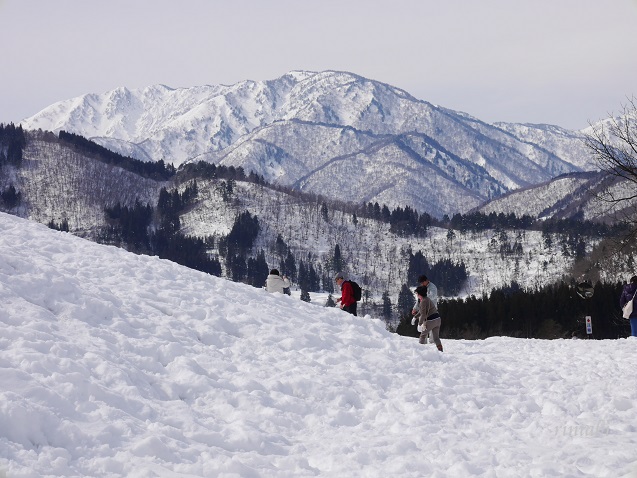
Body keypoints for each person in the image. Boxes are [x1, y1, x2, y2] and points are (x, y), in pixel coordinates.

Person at [411, 285, 443, 351]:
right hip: (438, 319)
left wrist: (419, 324)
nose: (417, 295)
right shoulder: (427, 299)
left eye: (417, 294)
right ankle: (440, 351)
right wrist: (415, 317)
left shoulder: (423, 302)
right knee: (436, 338)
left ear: (420, 294)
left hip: (431, 321)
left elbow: (423, 314)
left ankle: (420, 351)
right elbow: (422, 311)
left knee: (423, 336)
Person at [411, 275, 438, 343]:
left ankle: (432, 344)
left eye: (422, 282)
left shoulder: (432, 287)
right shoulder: (422, 288)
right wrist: (415, 308)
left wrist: (424, 297)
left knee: (431, 328)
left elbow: (432, 296)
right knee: (423, 328)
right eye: (421, 283)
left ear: (426, 280)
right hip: (423, 310)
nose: (422, 284)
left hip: (431, 311)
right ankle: (423, 343)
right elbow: (419, 300)